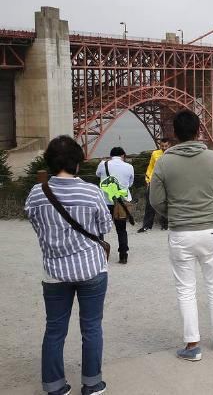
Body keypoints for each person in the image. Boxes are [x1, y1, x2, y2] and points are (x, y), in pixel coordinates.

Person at [25, 136, 112, 395]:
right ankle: (92, 384)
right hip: (91, 269)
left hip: (54, 272)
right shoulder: (92, 192)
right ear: (77, 163)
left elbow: (35, 222)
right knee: (92, 326)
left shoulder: (37, 193)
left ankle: (54, 387)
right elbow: (105, 227)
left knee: (55, 329)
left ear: (49, 163)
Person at [149, 110, 213, 361]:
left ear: (174, 133)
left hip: (180, 232)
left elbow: (155, 200)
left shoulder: (164, 161)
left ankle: (192, 346)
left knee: (186, 289)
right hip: (209, 229)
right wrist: (209, 208)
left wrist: (174, 212)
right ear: (199, 131)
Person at [96, 146, 134, 264]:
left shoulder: (103, 164)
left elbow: (98, 175)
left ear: (111, 155)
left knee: (100, 228)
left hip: (105, 202)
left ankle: (101, 254)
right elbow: (130, 183)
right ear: (123, 155)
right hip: (121, 203)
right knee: (121, 229)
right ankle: (123, 255)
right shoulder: (129, 166)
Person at [138, 138, 171, 232]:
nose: (164, 148)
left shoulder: (173, 155)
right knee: (150, 203)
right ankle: (147, 225)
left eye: (166, 146)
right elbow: (150, 167)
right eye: (162, 146)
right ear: (160, 145)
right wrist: (147, 179)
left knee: (167, 203)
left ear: (169, 146)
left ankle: (165, 224)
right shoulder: (155, 154)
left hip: (167, 182)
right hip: (154, 181)